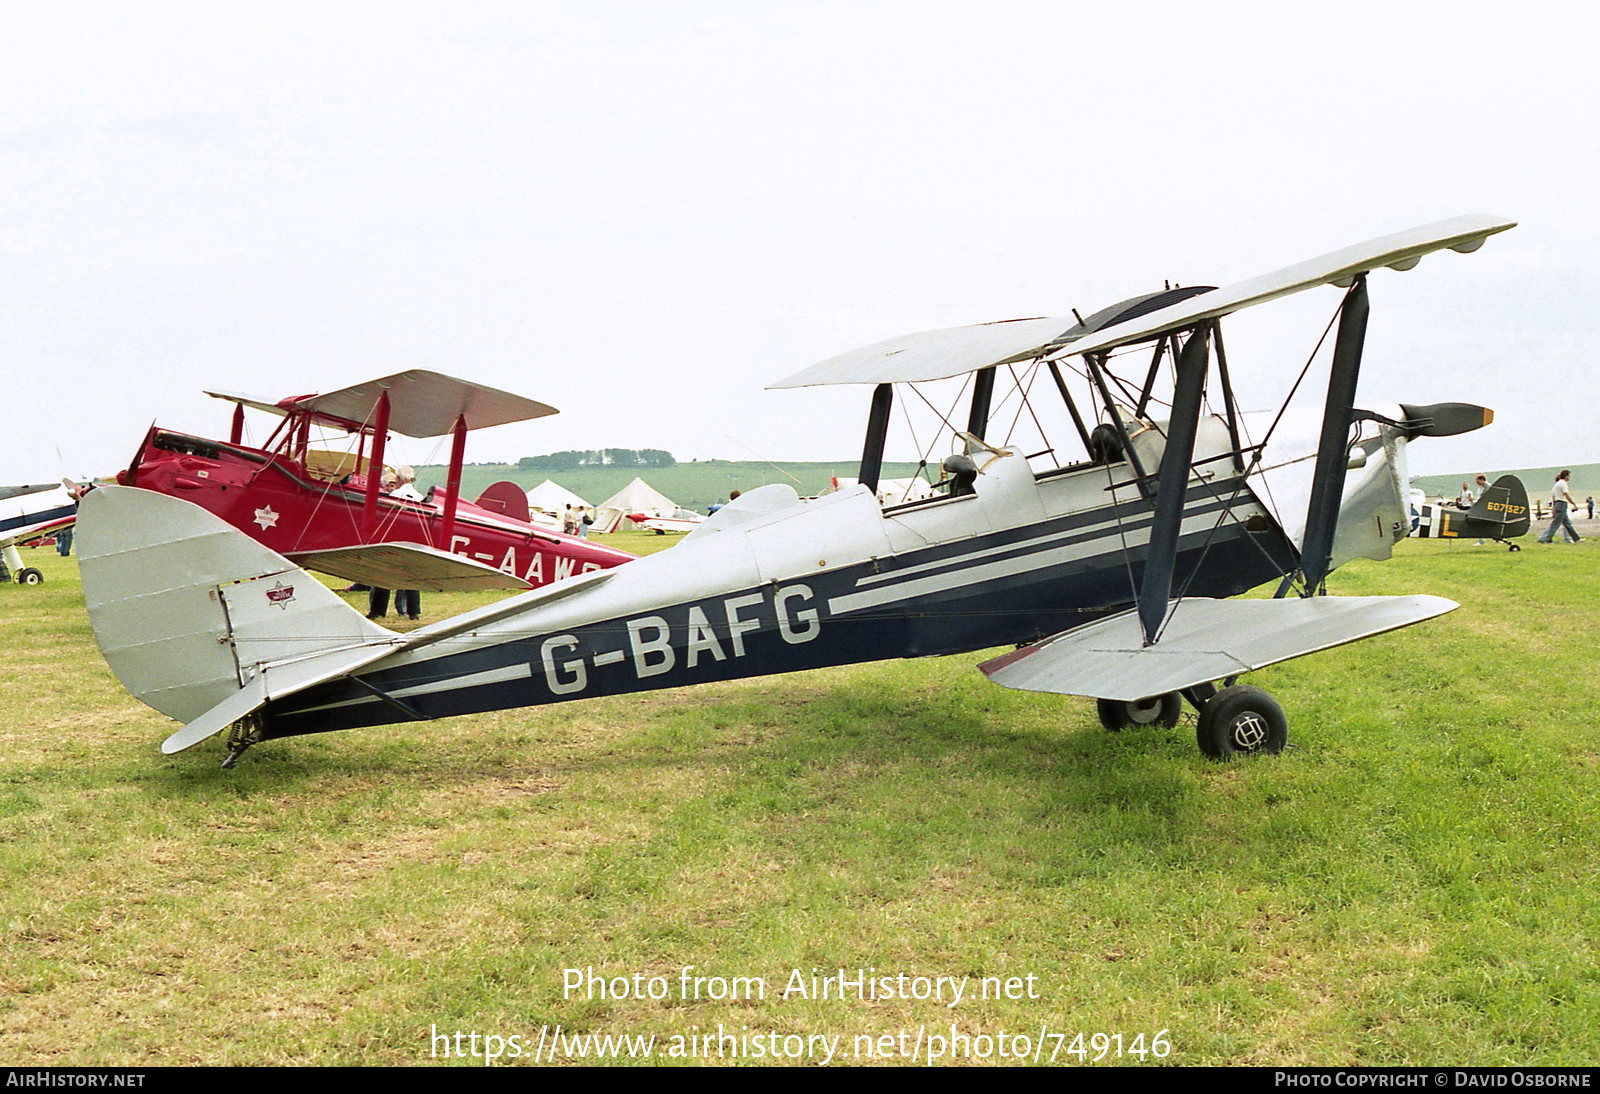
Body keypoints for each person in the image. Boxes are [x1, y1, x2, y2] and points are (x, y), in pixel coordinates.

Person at [1536, 470, 1582, 544]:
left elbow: (1553, 497)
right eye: (1569, 476)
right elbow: (1566, 495)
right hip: (1561, 504)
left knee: (1567, 523)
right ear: (1566, 476)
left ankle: (1576, 538)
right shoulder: (1563, 484)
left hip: (1558, 504)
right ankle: (1544, 539)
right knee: (1556, 523)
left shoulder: (1557, 484)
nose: (1569, 477)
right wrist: (1573, 503)